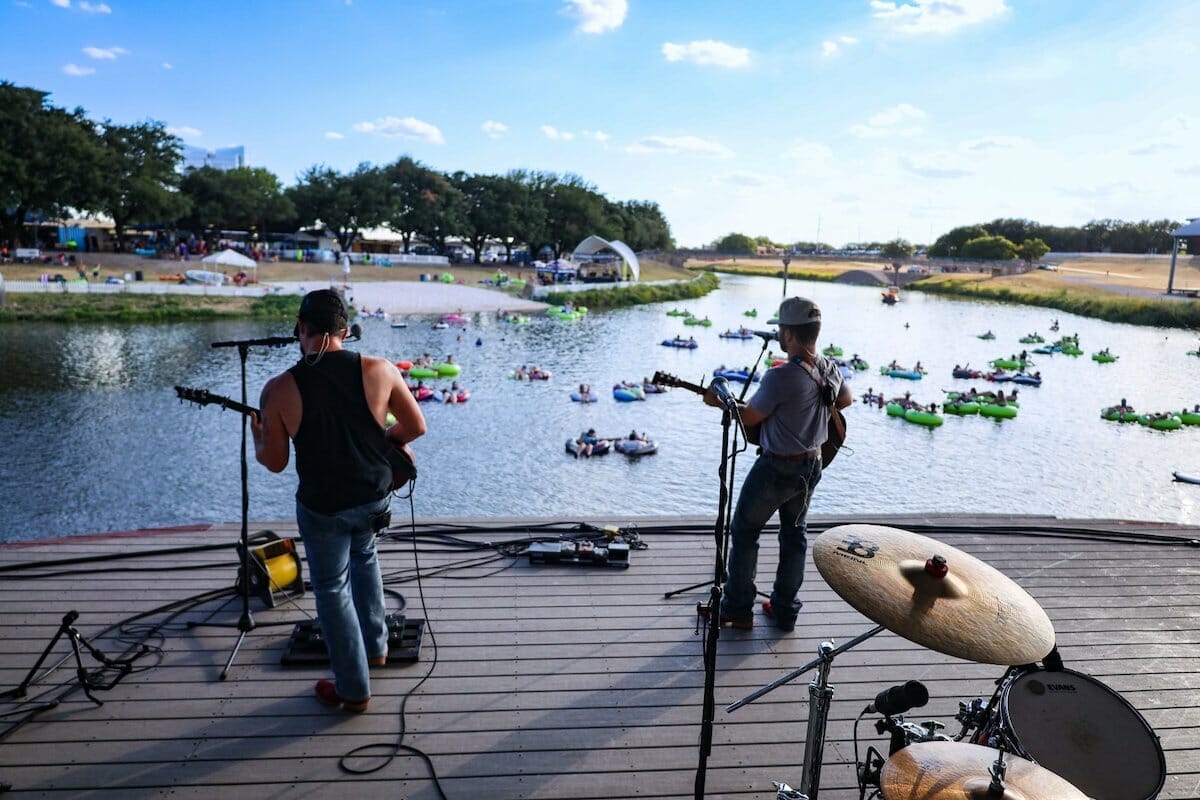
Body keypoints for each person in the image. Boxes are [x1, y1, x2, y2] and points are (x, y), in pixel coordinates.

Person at [252, 289, 426, 714]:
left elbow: (275, 463)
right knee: (365, 557)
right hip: (374, 498)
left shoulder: (278, 390)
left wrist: (259, 438)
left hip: (323, 506)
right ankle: (377, 647)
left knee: (332, 588)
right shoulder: (381, 370)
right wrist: (384, 439)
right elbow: (415, 426)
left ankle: (353, 689)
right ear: (345, 331)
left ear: (300, 329)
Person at [701, 296, 851, 632]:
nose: (781, 335)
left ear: (790, 336)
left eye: (782, 330)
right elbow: (845, 400)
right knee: (794, 535)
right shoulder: (829, 367)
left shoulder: (780, 376)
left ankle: (738, 609)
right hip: (812, 465)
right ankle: (785, 610)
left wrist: (719, 403)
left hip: (777, 467)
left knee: (744, 530)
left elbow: (751, 415)